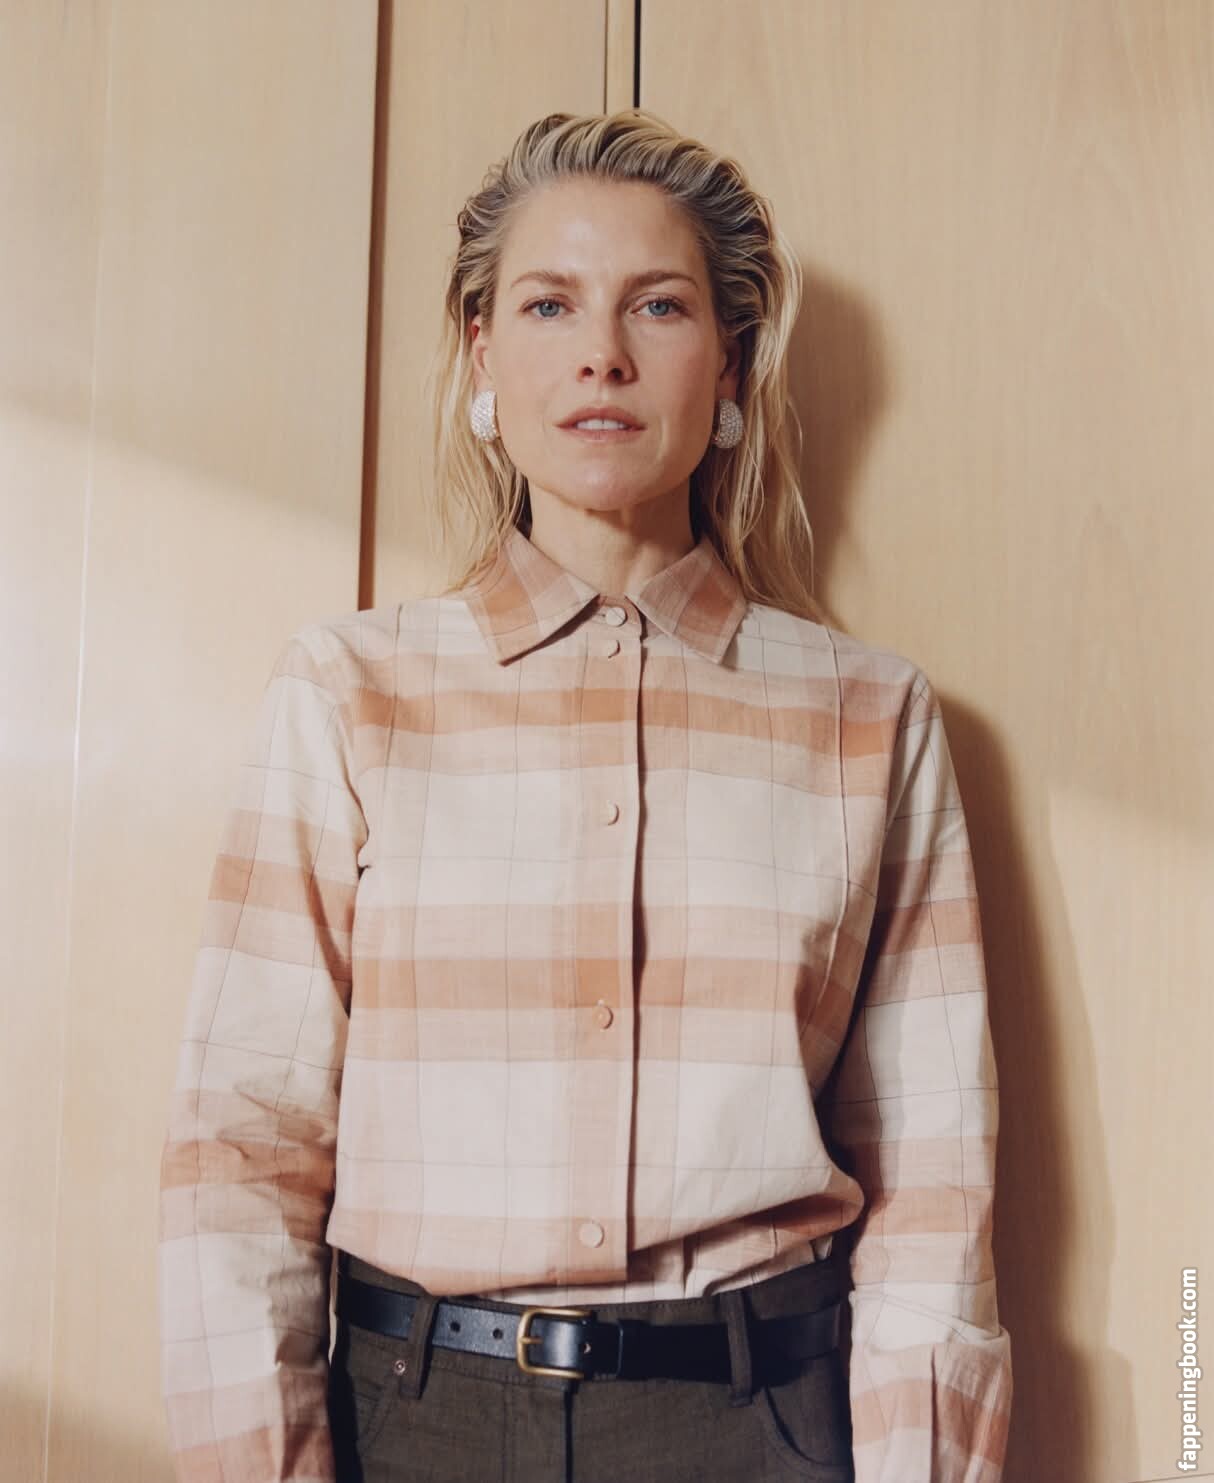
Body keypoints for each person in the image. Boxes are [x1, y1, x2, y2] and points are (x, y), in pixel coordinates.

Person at [157, 108, 1013, 1483]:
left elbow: (935, 1180)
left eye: (657, 306)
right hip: (412, 1422)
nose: (601, 353)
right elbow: (241, 1152)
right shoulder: (347, 690)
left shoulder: (870, 714)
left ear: (730, 363)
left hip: (759, 1426)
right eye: (548, 304)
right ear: (483, 357)